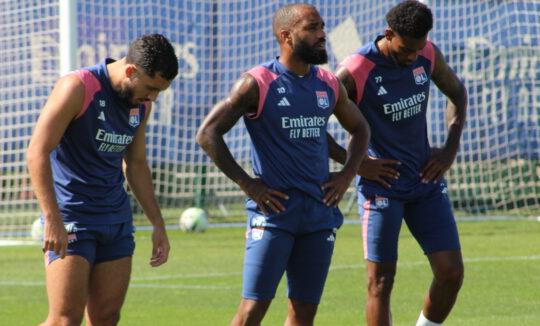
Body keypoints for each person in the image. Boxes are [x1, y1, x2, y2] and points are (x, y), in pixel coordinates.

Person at [197, 4, 370, 326]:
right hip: (274, 215)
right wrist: (249, 185)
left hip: (319, 214)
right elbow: (208, 134)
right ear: (287, 36)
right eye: (313, 28)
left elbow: (361, 129)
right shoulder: (257, 83)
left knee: (304, 313)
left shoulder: (328, 83)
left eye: (322, 27)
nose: (322, 35)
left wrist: (347, 175)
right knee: (252, 310)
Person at [330, 1, 468, 326]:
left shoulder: (427, 54)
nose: (411, 57)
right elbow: (312, 120)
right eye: (406, 49)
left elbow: (457, 93)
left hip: (425, 182)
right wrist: (357, 165)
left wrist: (449, 150)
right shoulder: (355, 70)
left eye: (417, 50)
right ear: (389, 34)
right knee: (380, 283)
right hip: (382, 188)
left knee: (451, 273)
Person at [26, 34, 177, 326]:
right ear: (131, 71)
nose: (153, 98)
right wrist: (52, 219)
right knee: (65, 320)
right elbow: (37, 152)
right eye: (150, 88)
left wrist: (158, 223)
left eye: (160, 91)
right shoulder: (78, 87)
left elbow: (135, 164)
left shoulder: (141, 104)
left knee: (106, 318)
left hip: (116, 221)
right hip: (72, 218)